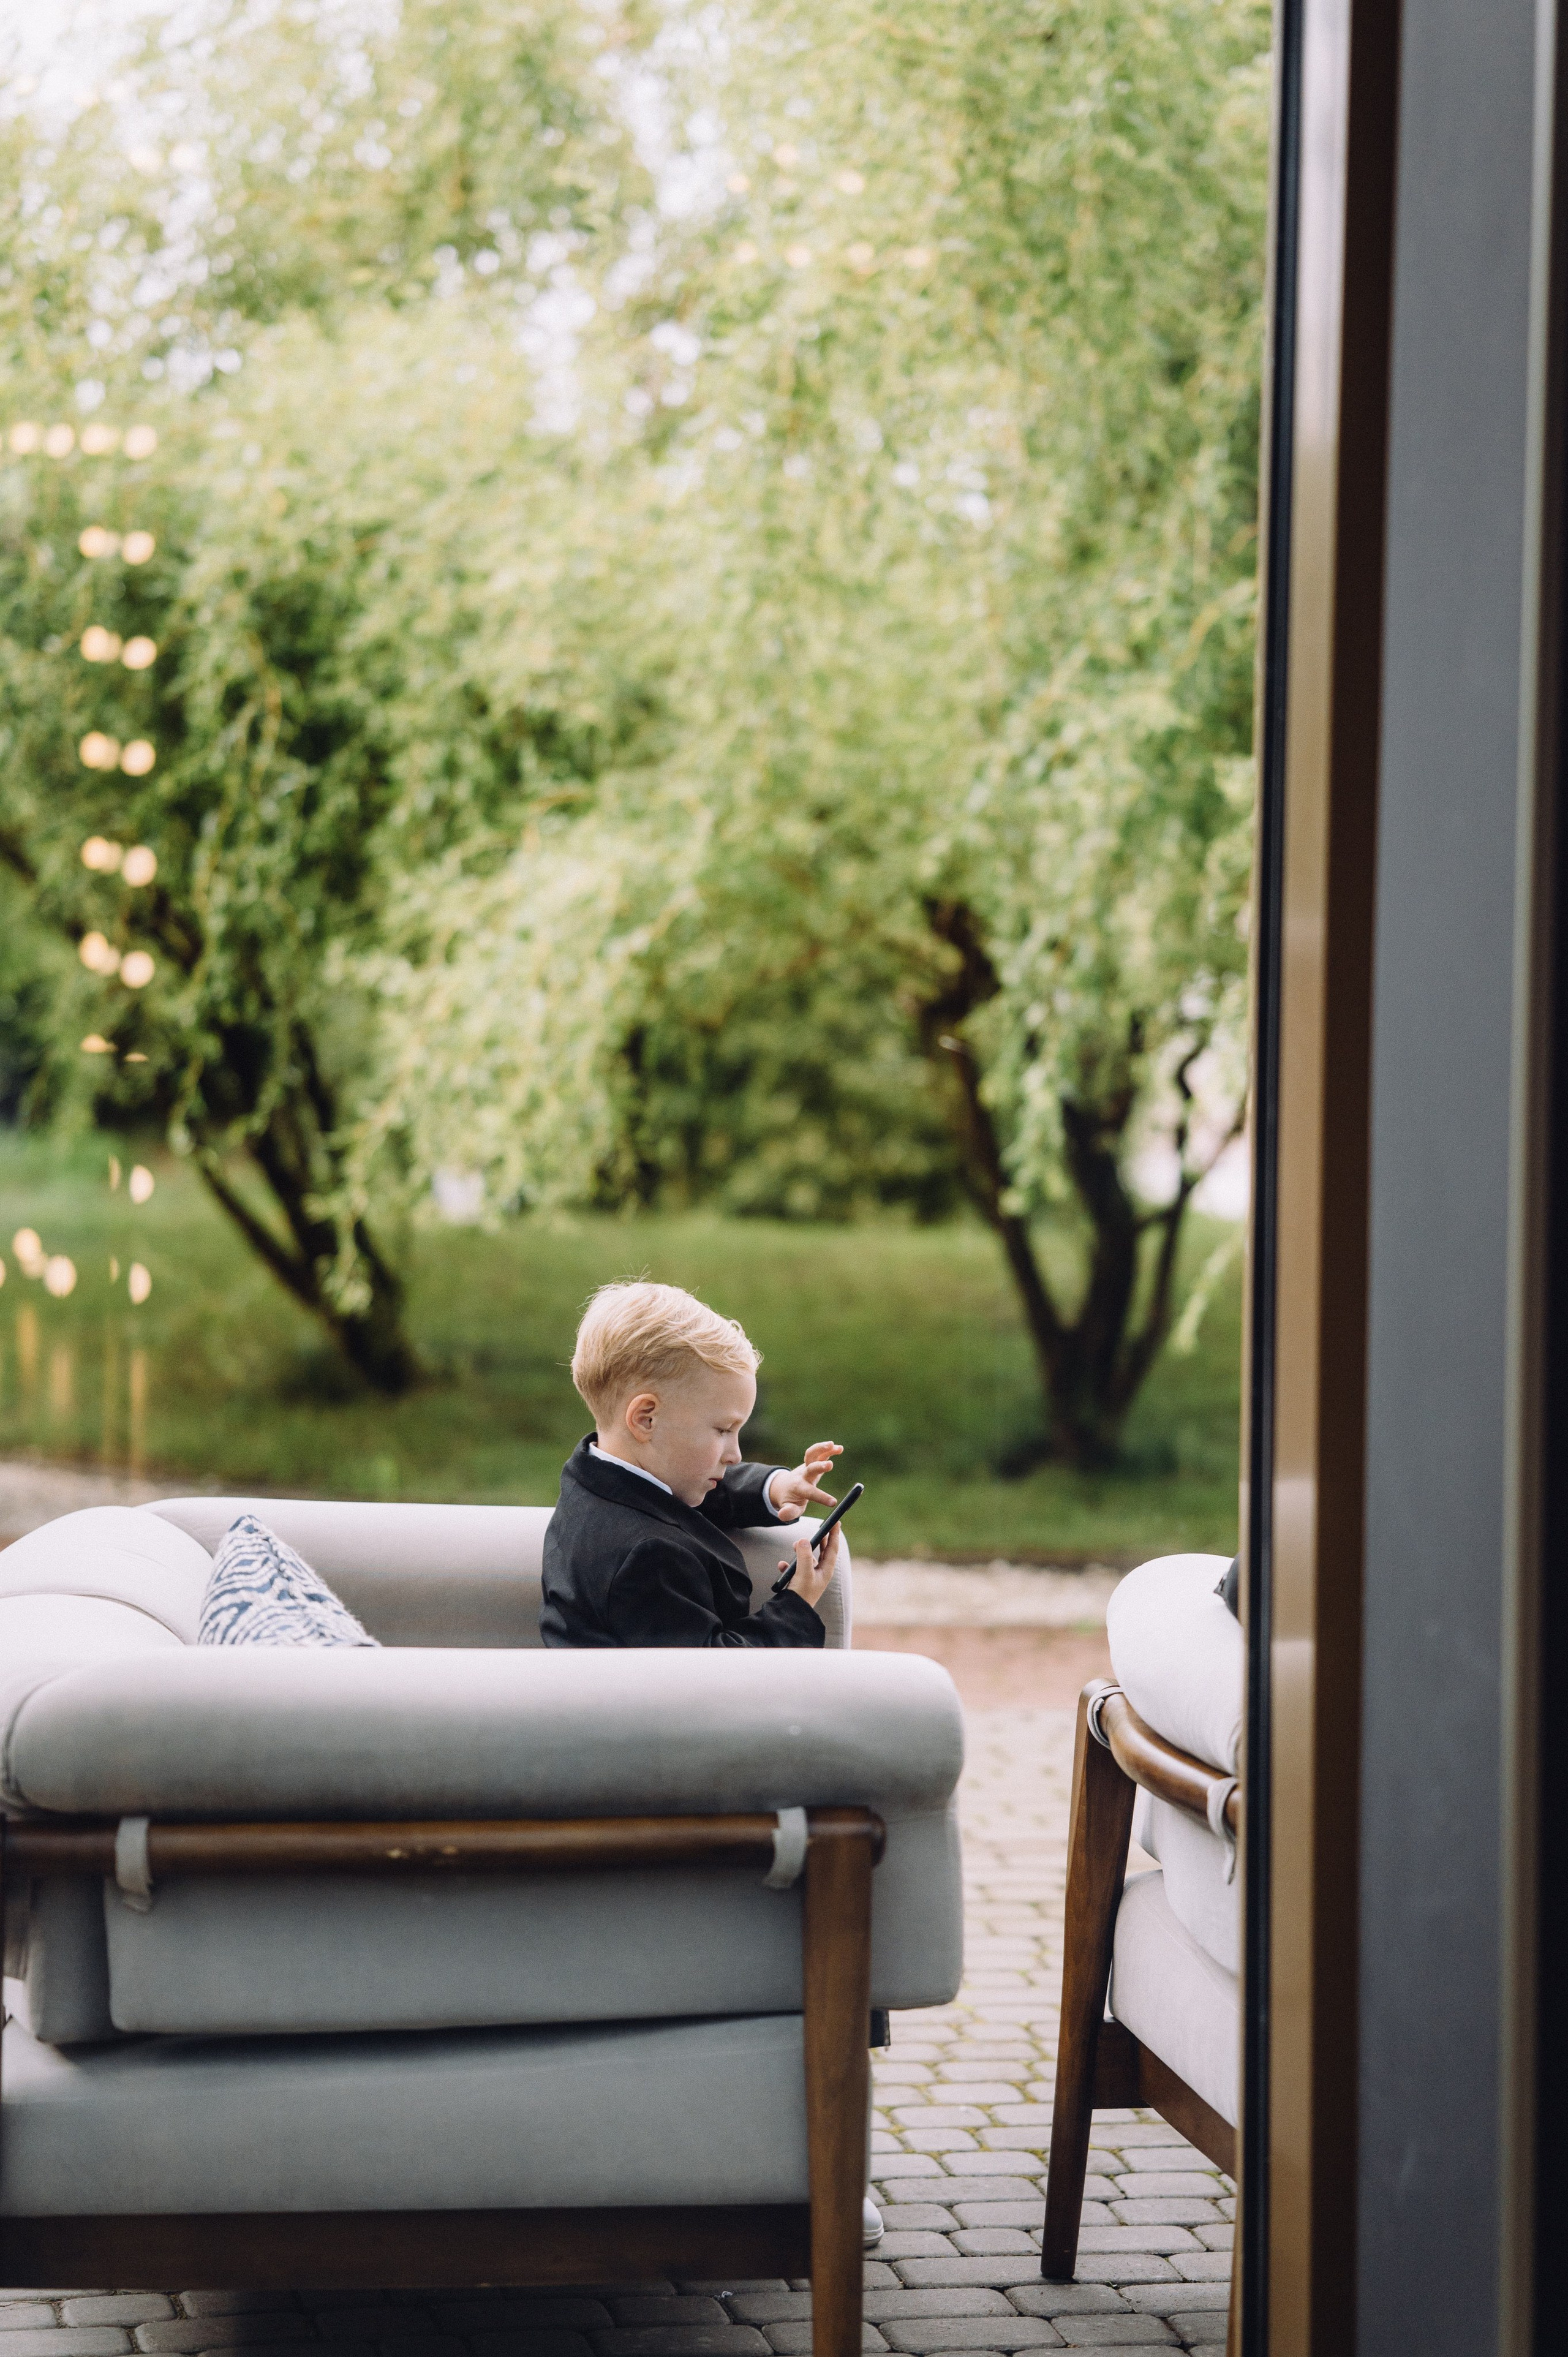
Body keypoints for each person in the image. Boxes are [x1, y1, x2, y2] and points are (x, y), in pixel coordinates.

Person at [540, 1278, 845, 1650]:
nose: (735, 1455)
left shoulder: (595, 1480)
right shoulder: (649, 1559)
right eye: (722, 1430)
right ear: (646, 1419)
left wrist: (775, 1487)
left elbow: (687, 1495)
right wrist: (797, 1603)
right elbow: (711, 1680)